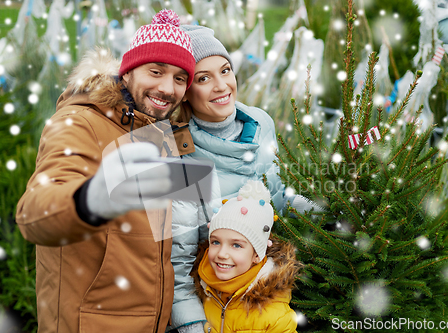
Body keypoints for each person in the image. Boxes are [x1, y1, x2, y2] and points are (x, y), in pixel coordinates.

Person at [16, 9, 196, 333]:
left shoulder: (165, 133)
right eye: (156, 71)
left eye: (180, 78)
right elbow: (33, 212)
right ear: (127, 73)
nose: (168, 88)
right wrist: (88, 202)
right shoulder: (80, 122)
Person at [169, 25, 318, 332]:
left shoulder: (260, 122)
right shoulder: (180, 153)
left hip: (266, 288)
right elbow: (178, 263)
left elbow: (276, 192)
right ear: (185, 91)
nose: (222, 86)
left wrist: (327, 213)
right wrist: (193, 326)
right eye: (203, 78)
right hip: (216, 301)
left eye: (225, 70)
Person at [194, 180, 301, 332]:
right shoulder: (203, 288)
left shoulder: (275, 316)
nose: (222, 254)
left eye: (236, 245)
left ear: (257, 255)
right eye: (216, 242)